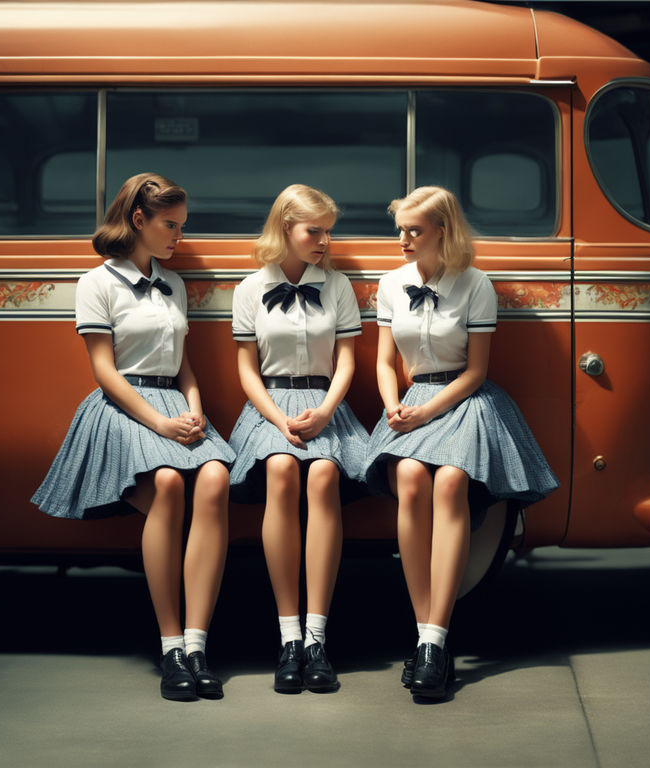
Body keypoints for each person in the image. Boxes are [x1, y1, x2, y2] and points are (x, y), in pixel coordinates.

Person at [31, 173, 235, 702]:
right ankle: (170, 648)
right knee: (167, 484)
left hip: (176, 402)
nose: (179, 237)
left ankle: (197, 646)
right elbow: (105, 371)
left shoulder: (175, 282)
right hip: (126, 406)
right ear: (138, 220)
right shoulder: (96, 282)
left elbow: (185, 365)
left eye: (183, 226)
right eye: (171, 225)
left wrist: (193, 410)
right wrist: (161, 423)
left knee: (214, 477)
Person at [363, 186, 559, 699]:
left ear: (442, 233)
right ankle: (428, 637)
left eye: (414, 230)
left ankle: (433, 641)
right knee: (408, 478)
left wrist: (427, 410)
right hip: (409, 400)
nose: (402, 239)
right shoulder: (390, 283)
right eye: (400, 229)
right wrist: (392, 403)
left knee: (450, 484)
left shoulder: (476, 284)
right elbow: (385, 361)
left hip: (461, 401)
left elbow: (476, 372)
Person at [228, 184, 368, 694]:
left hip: (326, 402)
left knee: (325, 473)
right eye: (315, 231)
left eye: (329, 231)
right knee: (282, 470)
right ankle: (287, 637)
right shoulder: (248, 289)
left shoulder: (337, 285)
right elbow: (246, 370)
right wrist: (277, 419)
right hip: (269, 405)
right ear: (286, 226)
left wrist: (327, 408)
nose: (325, 241)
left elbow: (348, 360)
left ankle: (316, 638)